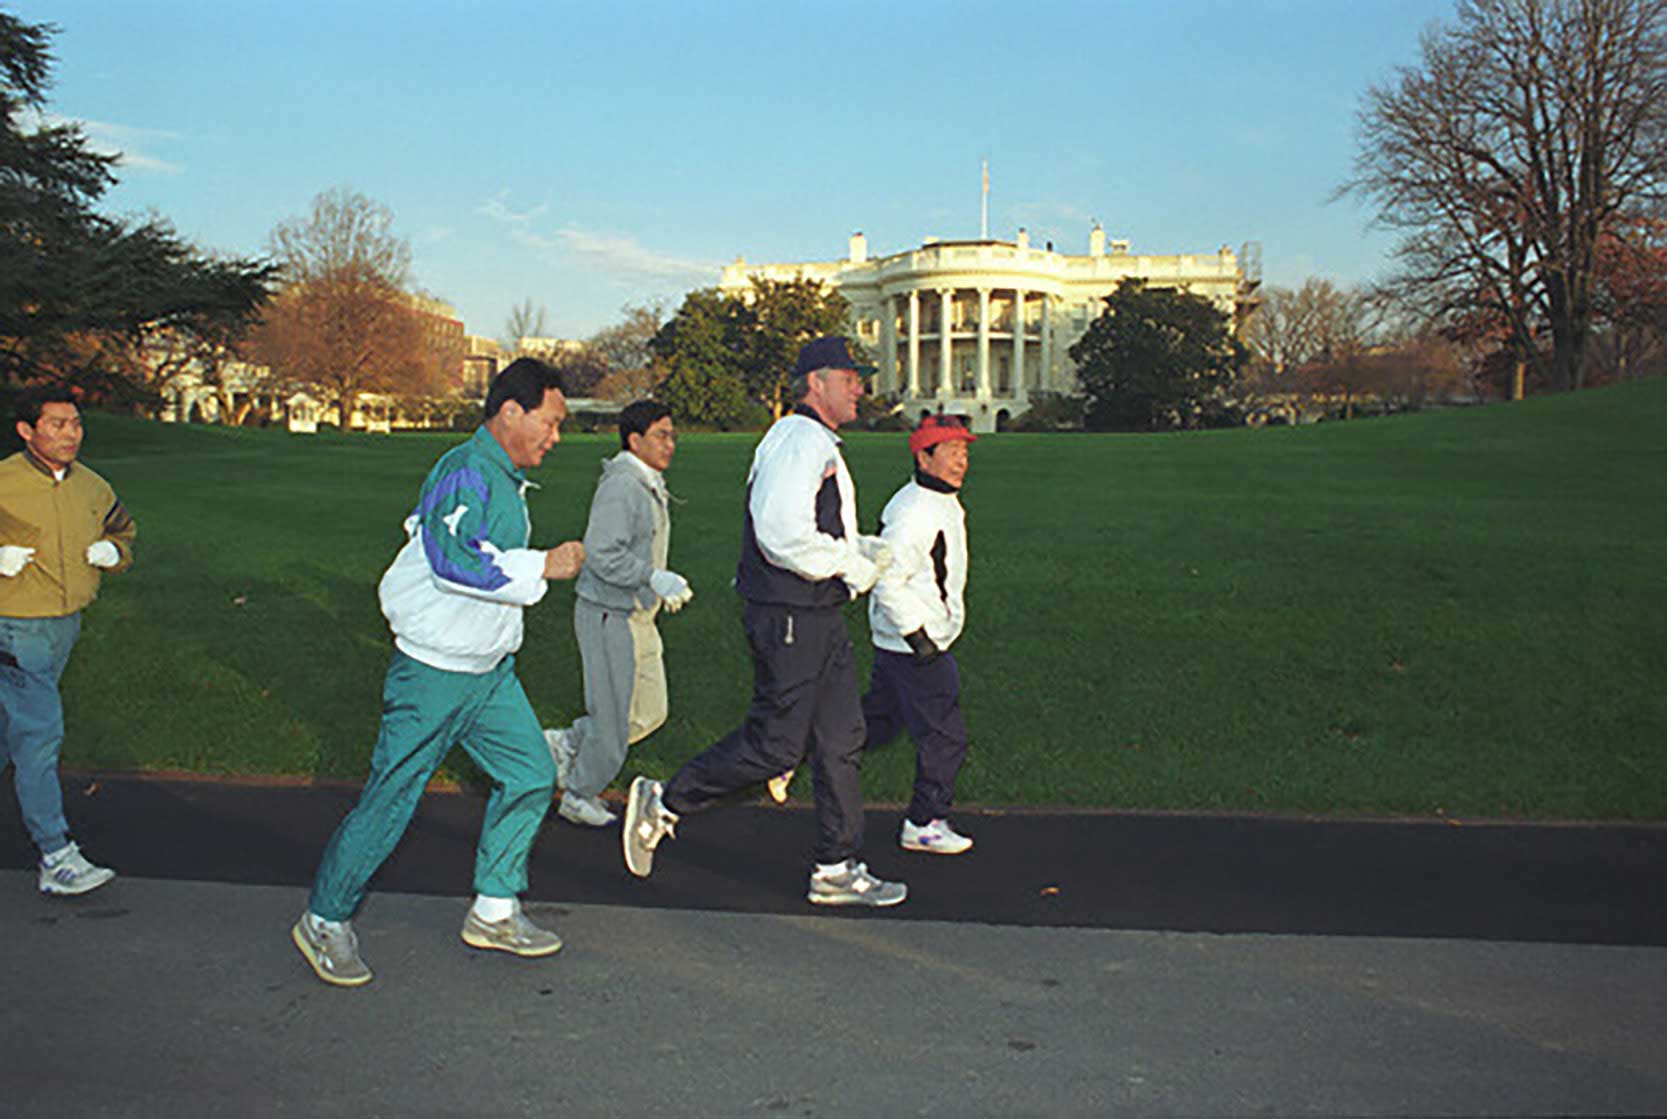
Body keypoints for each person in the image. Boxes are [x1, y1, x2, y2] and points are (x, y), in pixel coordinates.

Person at [291, 359, 585, 988]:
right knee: (393, 797)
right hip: (432, 674)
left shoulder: (502, 476)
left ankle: (495, 910)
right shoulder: (466, 470)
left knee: (531, 774)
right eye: (551, 423)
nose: (555, 438)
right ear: (511, 412)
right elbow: (453, 560)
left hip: (488, 673)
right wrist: (543, 567)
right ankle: (324, 918)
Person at [621, 336, 907, 907]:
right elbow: (780, 536)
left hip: (814, 611)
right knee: (778, 746)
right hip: (789, 612)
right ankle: (665, 800)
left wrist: (862, 551)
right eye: (850, 377)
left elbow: (813, 531)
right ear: (816, 383)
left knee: (840, 736)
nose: (860, 387)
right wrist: (853, 564)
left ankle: (835, 866)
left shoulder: (815, 441)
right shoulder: (799, 440)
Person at [1, 386, 135, 896]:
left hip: (66, 621)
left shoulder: (94, 486)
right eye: (56, 424)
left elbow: (124, 529)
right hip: (13, 622)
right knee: (39, 733)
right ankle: (56, 855)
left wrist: (113, 552)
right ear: (26, 431)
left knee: (9, 723)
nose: (70, 433)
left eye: (75, 423)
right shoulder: (4, 481)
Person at [543, 399, 692, 827]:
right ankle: (579, 792)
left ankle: (569, 743)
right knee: (612, 721)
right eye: (662, 435)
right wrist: (654, 577)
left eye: (672, 435)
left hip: (637, 615)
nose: (671, 444)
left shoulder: (645, 481)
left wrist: (653, 585)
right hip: (609, 614)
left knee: (651, 711)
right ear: (635, 439)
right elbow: (602, 554)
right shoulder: (622, 485)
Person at [862, 413, 978, 855]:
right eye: (950, 452)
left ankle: (796, 751)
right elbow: (888, 581)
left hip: (904, 640)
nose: (960, 461)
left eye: (964, 452)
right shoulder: (914, 513)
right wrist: (921, 639)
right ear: (923, 457)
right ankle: (924, 823)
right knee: (946, 737)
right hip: (916, 646)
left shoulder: (939, 500)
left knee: (879, 724)